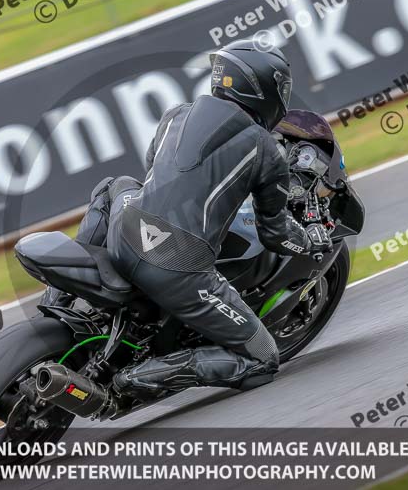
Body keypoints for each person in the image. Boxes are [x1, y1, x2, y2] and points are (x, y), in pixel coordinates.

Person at [100, 40, 333, 398]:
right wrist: (308, 241)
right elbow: (274, 233)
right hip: (177, 265)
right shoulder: (264, 147)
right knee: (265, 359)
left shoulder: (176, 114)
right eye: (281, 87)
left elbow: (154, 172)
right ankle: (140, 375)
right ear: (263, 88)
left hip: (125, 229)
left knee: (115, 186)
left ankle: (66, 300)